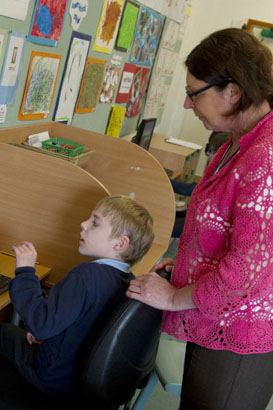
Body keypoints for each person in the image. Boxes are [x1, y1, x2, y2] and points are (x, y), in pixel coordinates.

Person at [127, 28, 273, 410]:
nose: (188, 104)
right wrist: (190, 265)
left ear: (233, 91)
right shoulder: (239, 142)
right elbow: (234, 234)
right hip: (217, 319)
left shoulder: (265, 157)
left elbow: (246, 268)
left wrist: (175, 296)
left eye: (194, 93)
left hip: (238, 329)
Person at [0, 195, 154, 396]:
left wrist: (26, 272)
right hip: (78, 380)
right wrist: (49, 335)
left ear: (120, 244)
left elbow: (40, 324)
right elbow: (80, 323)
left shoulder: (86, 276)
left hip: (52, 377)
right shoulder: (126, 280)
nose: (83, 224)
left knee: (4, 331)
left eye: (95, 222)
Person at [171, 131, 230, 237]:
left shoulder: (223, 177)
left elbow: (188, 190)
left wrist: (165, 179)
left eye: (211, 151)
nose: (208, 154)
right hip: (200, 219)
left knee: (165, 225)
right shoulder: (219, 172)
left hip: (202, 226)